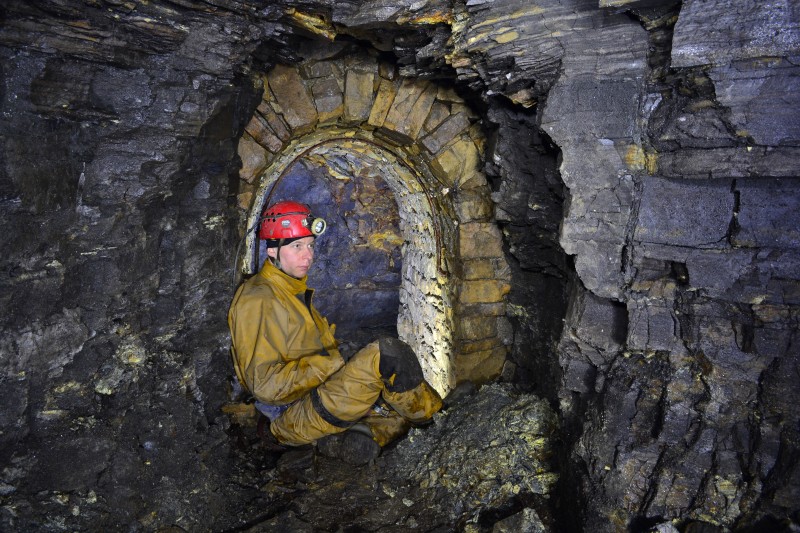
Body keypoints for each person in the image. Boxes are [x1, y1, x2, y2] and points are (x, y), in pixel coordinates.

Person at [228, 200, 442, 464]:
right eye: (297, 246)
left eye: (310, 245)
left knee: (390, 388)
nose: (308, 256)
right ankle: (438, 424)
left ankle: (357, 436)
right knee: (388, 356)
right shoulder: (258, 299)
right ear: (272, 250)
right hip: (289, 415)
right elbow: (265, 386)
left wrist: (342, 356)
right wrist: (337, 360)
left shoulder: (288, 290)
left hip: (313, 397)